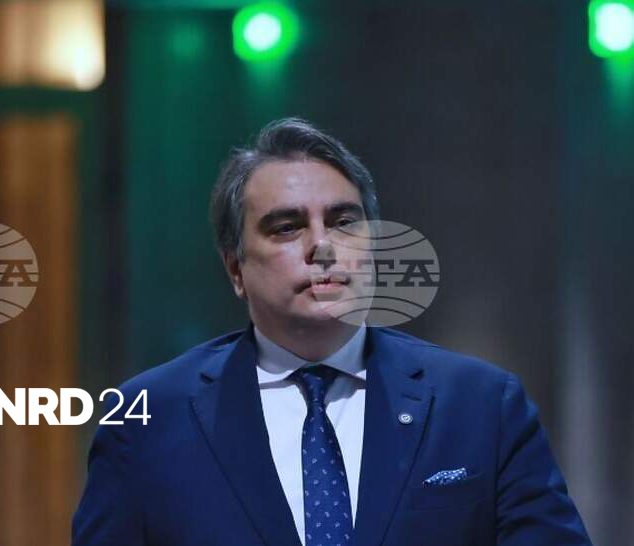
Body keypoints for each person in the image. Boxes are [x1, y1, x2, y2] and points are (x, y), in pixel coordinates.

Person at [72, 118, 592, 546]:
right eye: (287, 227)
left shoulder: (481, 406)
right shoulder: (146, 418)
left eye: (344, 222)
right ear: (235, 268)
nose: (323, 247)